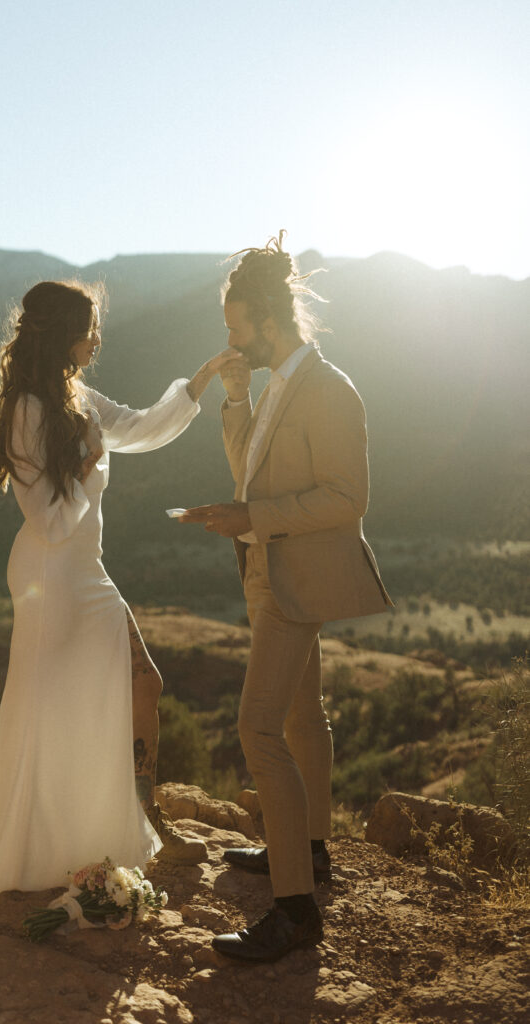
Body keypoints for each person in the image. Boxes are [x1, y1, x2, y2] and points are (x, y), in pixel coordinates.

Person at [0, 279, 235, 905]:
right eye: (89, 328)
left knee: (140, 684)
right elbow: (49, 519)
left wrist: (202, 379)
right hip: (50, 574)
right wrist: (86, 463)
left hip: (85, 568)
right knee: (47, 709)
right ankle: (45, 846)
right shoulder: (29, 410)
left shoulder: (73, 394)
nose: (98, 339)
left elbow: (138, 427)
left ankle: (132, 822)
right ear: (62, 334)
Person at [181, 233, 392, 962]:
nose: (232, 340)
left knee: (258, 730)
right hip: (266, 570)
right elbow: (248, 476)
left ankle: (296, 911)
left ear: (269, 321)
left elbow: (348, 497)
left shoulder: (331, 391)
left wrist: (255, 519)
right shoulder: (274, 388)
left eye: (239, 328)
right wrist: (235, 401)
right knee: (305, 715)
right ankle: (306, 851)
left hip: (294, 581)